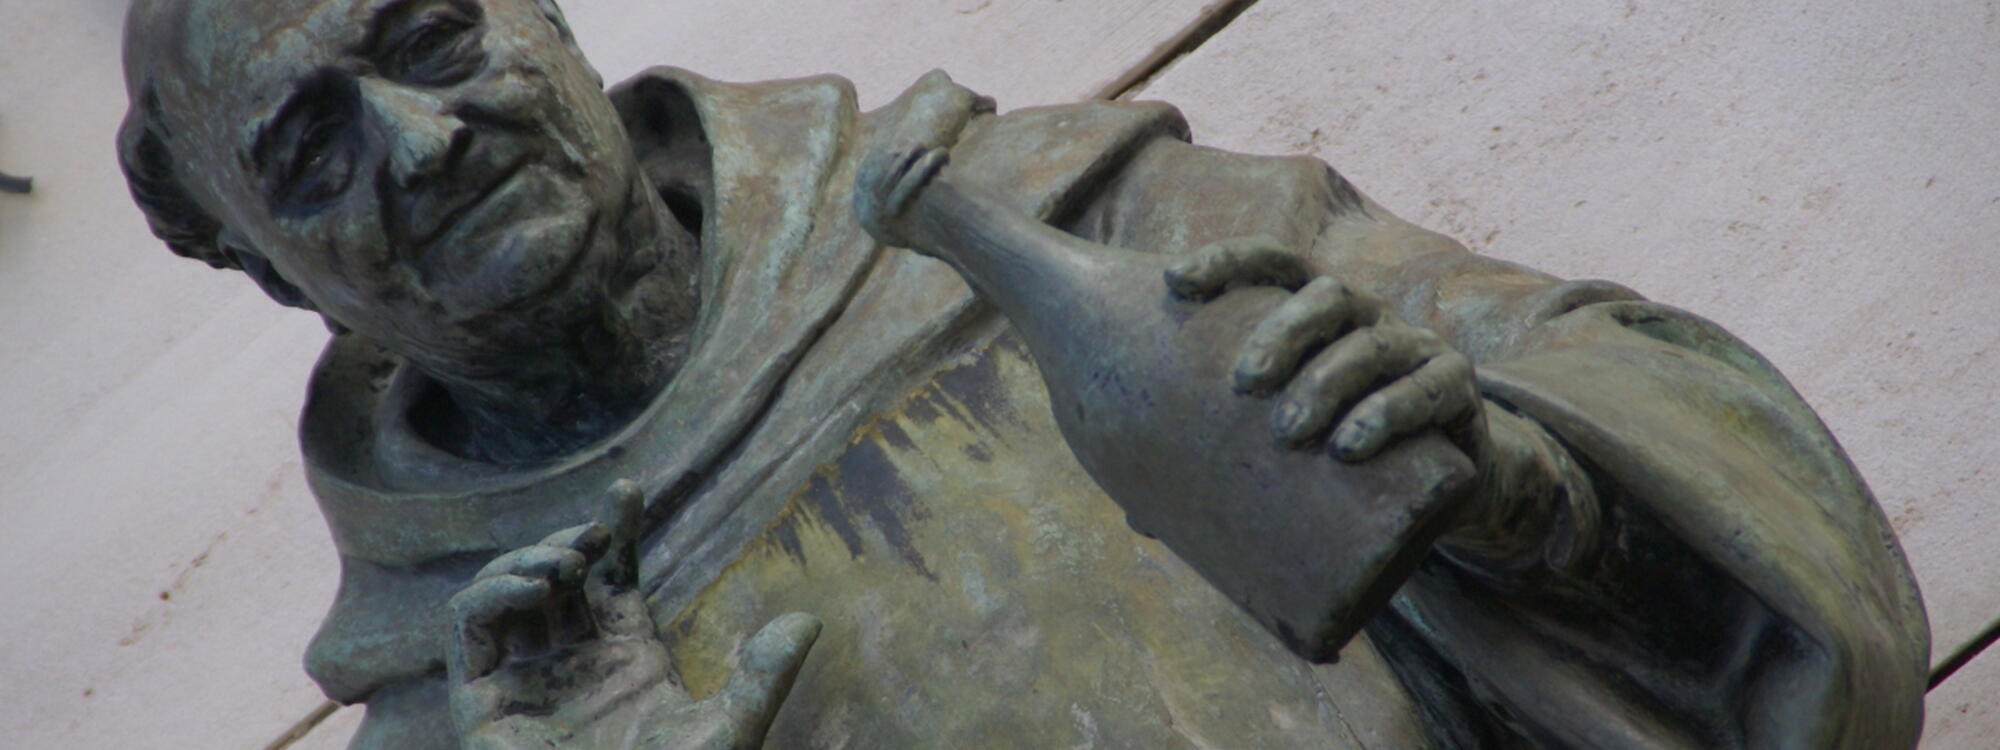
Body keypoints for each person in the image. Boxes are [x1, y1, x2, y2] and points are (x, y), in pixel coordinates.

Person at [117, 0, 1928, 746]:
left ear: (546, 16)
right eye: (308, 149)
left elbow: (1777, 580)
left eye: (433, 34)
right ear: (260, 263)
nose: (424, 138)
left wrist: (1532, 504)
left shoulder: (1075, 216)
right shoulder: (475, 719)